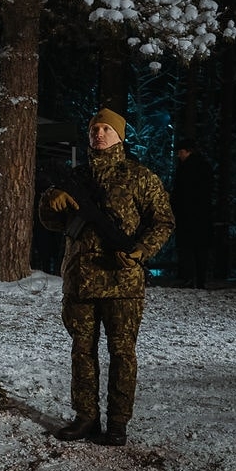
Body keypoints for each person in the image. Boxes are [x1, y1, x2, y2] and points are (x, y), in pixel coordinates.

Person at [38, 108, 174, 446]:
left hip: (122, 282)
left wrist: (141, 251)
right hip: (80, 280)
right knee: (81, 351)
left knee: (121, 353)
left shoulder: (140, 178)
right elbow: (53, 224)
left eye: (106, 129)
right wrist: (48, 202)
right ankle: (86, 417)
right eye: (94, 129)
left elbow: (163, 222)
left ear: (120, 136)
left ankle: (117, 422)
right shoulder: (76, 177)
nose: (99, 134)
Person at [171, 139, 213, 289]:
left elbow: (179, 192)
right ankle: (201, 279)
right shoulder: (205, 167)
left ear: (188, 151)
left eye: (181, 152)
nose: (178, 155)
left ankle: (188, 278)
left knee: (187, 247)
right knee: (200, 248)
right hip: (202, 214)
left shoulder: (185, 168)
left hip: (187, 214)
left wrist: (175, 207)